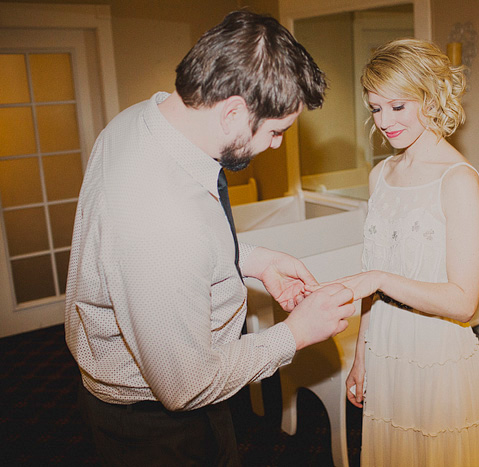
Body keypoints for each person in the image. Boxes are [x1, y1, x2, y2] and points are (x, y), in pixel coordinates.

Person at [64, 10, 355, 466]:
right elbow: (186, 386)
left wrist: (251, 259)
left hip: (175, 397)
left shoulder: (143, 119)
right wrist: (294, 334)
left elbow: (179, 252)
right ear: (233, 111)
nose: (276, 145)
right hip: (155, 427)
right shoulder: (161, 215)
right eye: (276, 131)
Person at [338, 39, 479, 465]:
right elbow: (374, 278)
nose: (385, 121)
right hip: (386, 348)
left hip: (436, 352)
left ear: (430, 97)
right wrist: (361, 358)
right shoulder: (381, 175)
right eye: (375, 108)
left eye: (398, 106)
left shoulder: (458, 179)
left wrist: (380, 280)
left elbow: (464, 303)